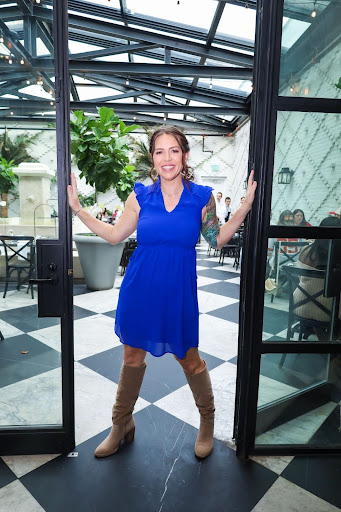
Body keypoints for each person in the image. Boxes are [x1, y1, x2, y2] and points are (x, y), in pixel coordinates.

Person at [67, 125, 257, 460]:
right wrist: (79, 209)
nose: (166, 158)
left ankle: (207, 422)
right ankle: (121, 424)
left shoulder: (201, 197)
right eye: (159, 151)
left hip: (178, 293)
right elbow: (114, 236)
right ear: (152, 159)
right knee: (131, 356)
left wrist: (243, 208)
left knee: (189, 358)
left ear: (185, 155)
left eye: (173, 150)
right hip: (139, 290)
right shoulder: (140, 195)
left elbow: (215, 238)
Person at [293, 217, 341, 337]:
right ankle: (332, 342)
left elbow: (299, 277)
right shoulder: (338, 256)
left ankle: (319, 333)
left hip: (299, 304)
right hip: (329, 309)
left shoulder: (305, 250)